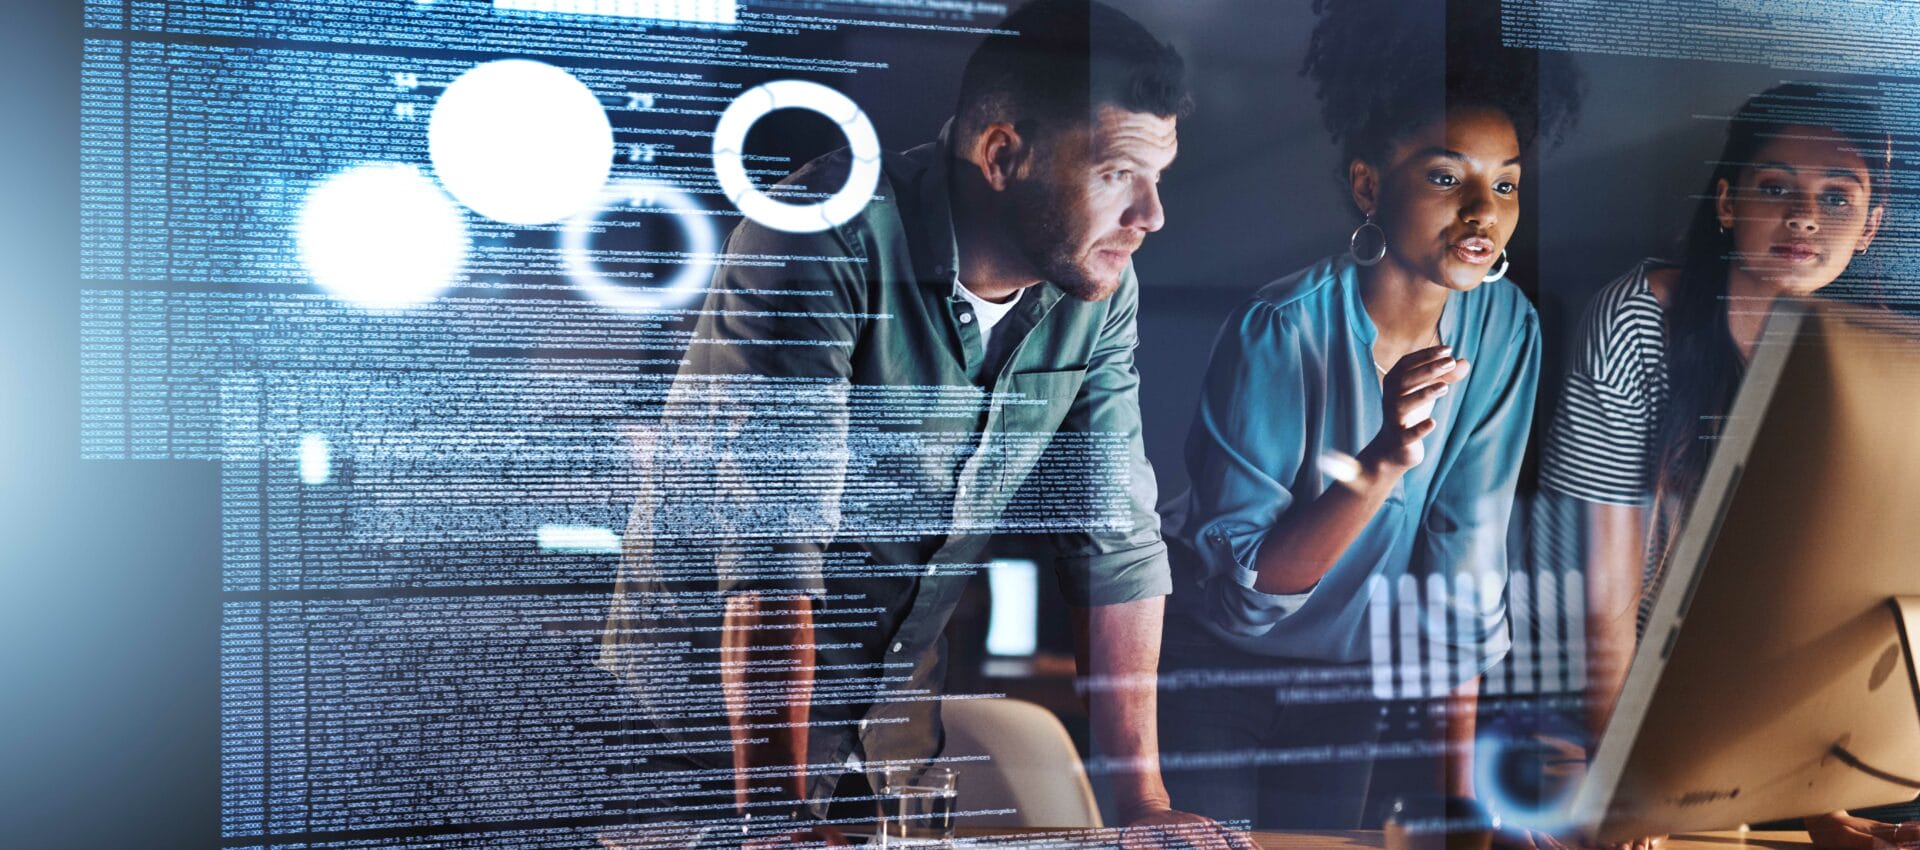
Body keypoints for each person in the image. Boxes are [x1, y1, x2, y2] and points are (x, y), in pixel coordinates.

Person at [598, 2, 1247, 848]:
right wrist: (775, 818)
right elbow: (771, 554)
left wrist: (1144, 804)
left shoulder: (1099, 290)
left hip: (893, 762)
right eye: (1120, 173)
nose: (1152, 214)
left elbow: (1115, 539)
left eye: (1158, 176)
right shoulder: (822, 233)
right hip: (704, 761)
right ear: (1003, 154)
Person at [1154, 0, 1581, 831]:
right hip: (1215, 672)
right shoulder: (1279, 329)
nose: (1482, 212)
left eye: (1505, 184)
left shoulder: (1505, 329)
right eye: (1446, 176)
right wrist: (1386, 458)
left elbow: (1468, 558)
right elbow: (1251, 589)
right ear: (1366, 185)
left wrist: (1468, 809)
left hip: (1348, 681)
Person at [1538, 82, 1909, 848]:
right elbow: (1600, 599)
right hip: (1597, 704)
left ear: (1871, 227)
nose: (1805, 216)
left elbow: (1825, 599)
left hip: (1762, 728)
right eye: (1776, 188)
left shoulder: (1880, 362)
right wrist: (1627, 789)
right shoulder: (1639, 320)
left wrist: (1823, 801)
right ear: (1728, 203)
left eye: (1837, 197)